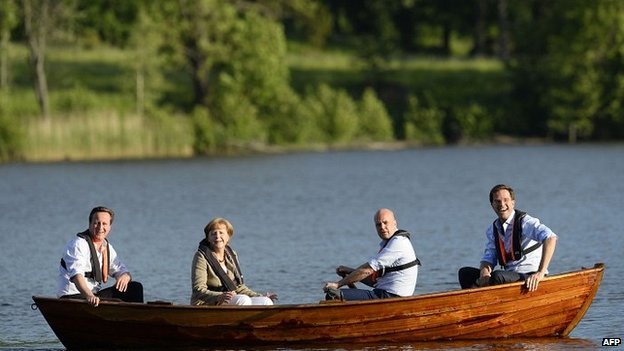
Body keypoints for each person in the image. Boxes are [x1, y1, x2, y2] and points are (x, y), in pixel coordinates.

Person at [458, 184, 558, 292]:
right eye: (497, 201)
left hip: (530, 277)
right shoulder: (493, 230)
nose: (502, 205)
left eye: (506, 200)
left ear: (513, 202)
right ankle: (474, 305)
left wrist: (540, 273)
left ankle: (490, 304)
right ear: (492, 205)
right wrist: (484, 272)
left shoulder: (525, 222)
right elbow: (488, 259)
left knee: (497, 276)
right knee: (464, 273)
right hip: (509, 276)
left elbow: (550, 237)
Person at [323, 208, 420, 301]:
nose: (382, 227)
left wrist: (338, 284)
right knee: (339, 294)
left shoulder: (398, 243)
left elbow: (367, 270)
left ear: (394, 223)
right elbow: (374, 282)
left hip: (390, 297)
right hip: (382, 294)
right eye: (378, 224)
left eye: (385, 222)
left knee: (332, 294)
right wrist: (349, 271)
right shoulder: (390, 243)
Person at [57, 206, 143, 307]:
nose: (100, 227)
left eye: (104, 224)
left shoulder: (106, 247)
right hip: (72, 297)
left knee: (135, 287)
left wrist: (125, 276)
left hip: (94, 296)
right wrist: (89, 296)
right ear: (90, 224)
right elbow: (77, 276)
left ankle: (135, 319)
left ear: (110, 227)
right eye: (97, 223)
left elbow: (120, 269)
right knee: (114, 301)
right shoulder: (78, 244)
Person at [191, 217, 277, 305]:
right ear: (208, 238)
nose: (217, 236)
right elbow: (198, 290)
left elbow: (238, 287)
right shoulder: (200, 257)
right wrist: (219, 296)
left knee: (266, 301)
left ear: (228, 237)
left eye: (221, 233)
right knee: (243, 300)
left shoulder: (232, 255)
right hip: (207, 302)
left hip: (231, 299)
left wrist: (259, 296)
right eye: (213, 234)